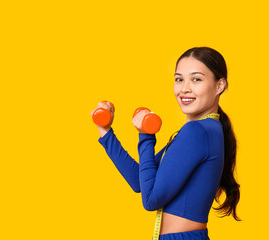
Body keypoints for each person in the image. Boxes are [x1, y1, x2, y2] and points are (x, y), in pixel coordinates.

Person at [91, 46, 241, 240]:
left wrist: (145, 136)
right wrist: (106, 132)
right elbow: (140, 181)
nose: (185, 88)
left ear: (219, 85)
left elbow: (151, 200)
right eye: (179, 79)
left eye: (196, 79)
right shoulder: (208, 130)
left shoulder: (197, 131)